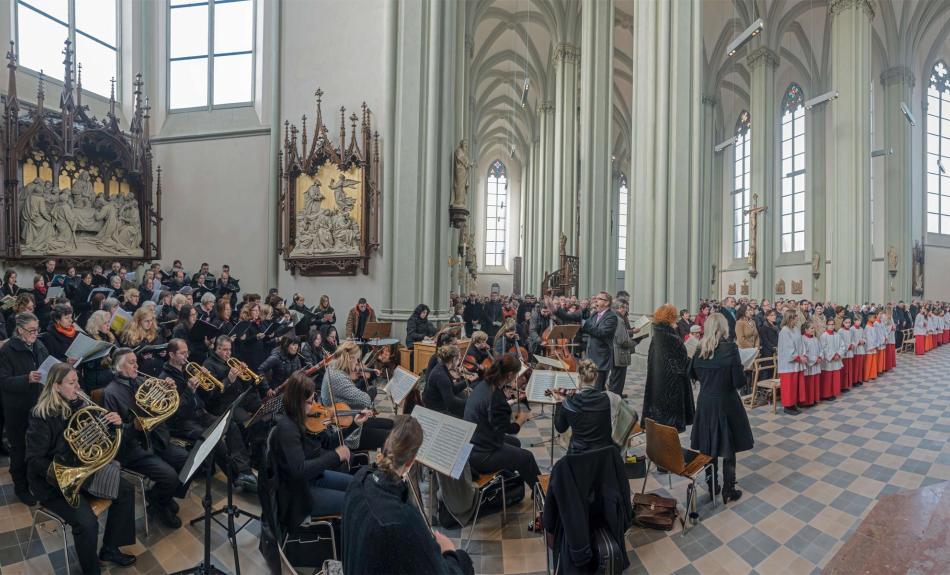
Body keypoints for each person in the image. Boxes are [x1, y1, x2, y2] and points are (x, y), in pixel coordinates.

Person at [25, 364, 137, 572]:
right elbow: (33, 460)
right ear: (56, 386)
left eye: (77, 381)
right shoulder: (41, 415)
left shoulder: (81, 405)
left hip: (84, 471)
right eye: (71, 383)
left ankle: (110, 549)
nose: (77, 387)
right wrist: (65, 475)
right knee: (87, 523)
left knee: (126, 490)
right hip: (54, 483)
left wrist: (114, 425)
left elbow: (102, 440)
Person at [341, 415, 474, 575]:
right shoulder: (403, 516)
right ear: (411, 462)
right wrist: (449, 551)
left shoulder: (359, 478)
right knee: (463, 560)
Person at [161, 339, 258, 492]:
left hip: (201, 413)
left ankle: (245, 471)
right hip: (182, 422)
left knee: (230, 426)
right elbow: (176, 411)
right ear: (171, 354)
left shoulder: (188, 369)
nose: (187, 356)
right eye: (182, 353)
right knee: (214, 438)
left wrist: (205, 380)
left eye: (187, 352)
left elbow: (209, 395)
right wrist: (189, 390)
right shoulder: (165, 379)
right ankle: (236, 477)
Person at [102, 349, 185, 528]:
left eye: (136, 362)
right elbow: (113, 434)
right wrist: (134, 427)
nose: (137, 366)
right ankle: (159, 502)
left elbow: (159, 407)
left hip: (154, 438)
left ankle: (159, 496)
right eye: (132, 362)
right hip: (134, 448)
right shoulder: (110, 393)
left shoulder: (140, 380)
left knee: (186, 460)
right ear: (119, 367)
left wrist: (166, 388)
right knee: (169, 476)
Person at [272, 373, 355, 529]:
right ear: (297, 402)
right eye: (310, 402)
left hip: (313, 478)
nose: (315, 405)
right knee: (353, 502)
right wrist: (336, 456)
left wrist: (354, 425)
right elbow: (299, 470)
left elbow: (329, 442)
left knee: (356, 485)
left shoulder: (304, 419)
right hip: (299, 494)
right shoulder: (287, 428)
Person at [688, 313, 753, 505]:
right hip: (727, 402)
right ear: (724, 328)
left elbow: (692, 373)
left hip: (707, 401)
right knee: (728, 445)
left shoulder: (699, 348)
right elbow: (739, 382)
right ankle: (728, 489)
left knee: (709, 445)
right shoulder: (730, 348)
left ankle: (712, 486)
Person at [464, 353, 540, 488]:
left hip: (475, 440)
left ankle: (509, 478)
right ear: (510, 375)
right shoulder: (496, 397)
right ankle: (542, 496)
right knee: (527, 458)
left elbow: (492, 415)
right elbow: (510, 429)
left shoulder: (484, 384)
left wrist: (509, 403)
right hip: (481, 454)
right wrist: (521, 418)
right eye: (517, 375)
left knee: (515, 443)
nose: (517, 378)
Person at [0, 312, 50, 504]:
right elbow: (4, 382)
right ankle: (20, 487)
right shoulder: (7, 351)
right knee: (19, 449)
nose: (35, 334)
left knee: (38, 446)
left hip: (38, 404)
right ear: (19, 330)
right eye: (31, 330)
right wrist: (26, 378)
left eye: (37, 330)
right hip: (17, 409)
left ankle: (36, 482)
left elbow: (47, 364)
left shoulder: (38, 344)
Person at [642, 304, 693, 432]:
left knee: (660, 421)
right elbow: (680, 365)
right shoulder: (671, 337)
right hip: (672, 388)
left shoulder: (658, 335)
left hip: (658, 383)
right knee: (670, 425)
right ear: (670, 318)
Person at [551, 360, 613, 454]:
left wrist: (559, 403)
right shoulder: (608, 399)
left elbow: (560, 428)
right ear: (596, 377)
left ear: (579, 377)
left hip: (577, 453)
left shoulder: (568, 402)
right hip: (603, 454)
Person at [201, 335, 262, 425]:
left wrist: (244, 373)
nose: (229, 353)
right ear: (217, 348)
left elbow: (246, 385)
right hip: (223, 403)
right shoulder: (208, 364)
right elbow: (212, 394)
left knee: (259, 405)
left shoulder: (231, 361)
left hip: (238, 397)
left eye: (230, 349)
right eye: (225, 350)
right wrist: (228, 380)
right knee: (244, 419)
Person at [422, 344, 468, 418]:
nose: (459, 362)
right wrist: (469, 403)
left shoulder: (442, 367)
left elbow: (453, 389)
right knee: (466, 416)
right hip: (435, 410)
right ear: (453, 359)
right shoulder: (441, 375)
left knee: (464, 402)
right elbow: (451, 403)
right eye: (459, 359)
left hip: (439, 403)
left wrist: (467, 381)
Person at [121, 306, 168, 377]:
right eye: (146, 321)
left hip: (159, 370)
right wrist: (140, 356)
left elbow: (164, 346)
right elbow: (126, 358)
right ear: (139, 321)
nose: (150, 323)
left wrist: (164, 353)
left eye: (151, 320)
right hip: (142, 373)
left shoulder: (157, 331)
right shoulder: (130, 335)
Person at [777, 313, 805, 415]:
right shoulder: (784, 331)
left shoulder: (796, 329)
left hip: (797, 362)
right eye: (795, 319)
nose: (797, 321)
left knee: (795, 385)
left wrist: (802, 355)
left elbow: (801, 343)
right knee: (789, 385)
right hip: (788, 364)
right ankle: (787, 406)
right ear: (790, 319)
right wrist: (797, 357)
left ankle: (793, 404)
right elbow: (787, 348)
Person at [609, 300, 637, 396]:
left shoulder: (613, 317)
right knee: (618, 378)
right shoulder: (619, 320)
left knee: (615, 377)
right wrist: (636, 342)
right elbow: (623, 341)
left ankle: (615, 396)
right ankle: (616, 399)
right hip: (619, 353)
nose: (626, 310)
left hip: (614, 352)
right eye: (625, 308)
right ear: (620, 308)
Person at [819, 318, 844, 401]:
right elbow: (823, 348)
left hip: (836, 359)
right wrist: (832, 356)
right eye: (830, 324)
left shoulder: (837, 335)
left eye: (833, 324)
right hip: (828, 361)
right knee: (828, 378)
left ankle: (834, 392)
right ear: (826, 325)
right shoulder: (823, 336)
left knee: (835, 377)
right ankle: (826, 394)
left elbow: (842, 346)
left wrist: (838, 354)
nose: (831, 326)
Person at [800, 321, 821, 407]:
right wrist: (814, 360)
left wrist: (820, 357)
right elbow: (804, 353)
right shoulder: (802, 339)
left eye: (813, 328)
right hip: (809, 365)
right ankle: (807, 401)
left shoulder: (815, 339)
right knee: (808, 383)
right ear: (806, 329)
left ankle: (814, 399)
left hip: (816, 364)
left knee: (815, 382)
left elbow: (821, 350)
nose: (813, 330)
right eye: (811, 328)